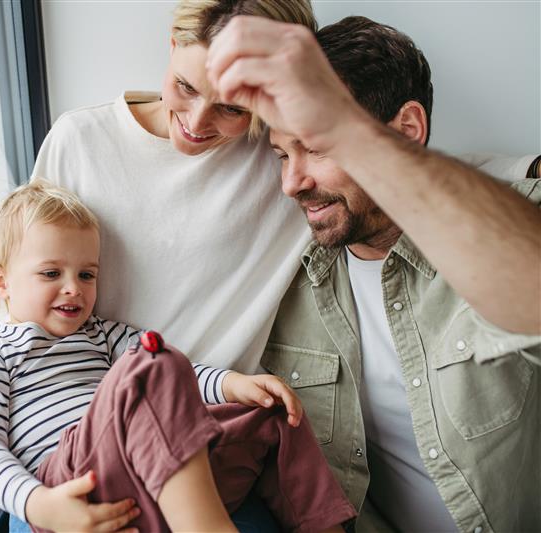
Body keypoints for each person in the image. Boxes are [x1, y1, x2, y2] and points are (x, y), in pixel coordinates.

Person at [206, 14, 541, 533]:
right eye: (281, 154)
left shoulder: (502, 231)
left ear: (406, 131)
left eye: (316, 145)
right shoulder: (283, 276)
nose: (292, 182)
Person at [0, 181, 356, 532]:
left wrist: (235, 384)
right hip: (72, 483)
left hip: (149, 477)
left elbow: (177, 378)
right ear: (0, 282)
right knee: (154, 358)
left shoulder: (101, 334)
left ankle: (324, 528)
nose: (74, 289)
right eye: (51, 274)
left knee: (271, 410)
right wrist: (37, 503)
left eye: (86, 275)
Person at [32, 0, 318, 376]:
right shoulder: (80, 142)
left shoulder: (286, 162)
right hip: (85, 409)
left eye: (233, 109)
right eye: (185, 86)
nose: (197, 122)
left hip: (217, 419)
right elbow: (23, 296)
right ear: (172, 45)